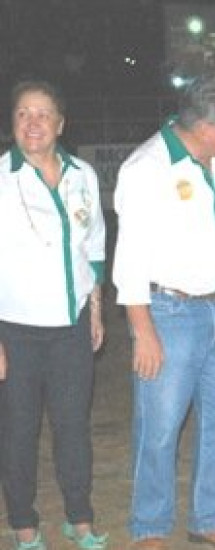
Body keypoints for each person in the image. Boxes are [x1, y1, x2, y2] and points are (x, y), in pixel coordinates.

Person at [113, 74, 215, 550]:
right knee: (160, 425)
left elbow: (214, 219)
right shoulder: (146, 169)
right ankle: (150, 525)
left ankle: (209, 516)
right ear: (204, 128)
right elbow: (130, 258)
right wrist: (143, 331)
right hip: (169, 313)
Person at [0, 80, 107, 550]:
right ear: (12, 123)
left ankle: (79, 519)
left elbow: (94, 246)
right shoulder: (2, 179)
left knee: (73, 427)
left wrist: (96, 310)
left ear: (61, 124)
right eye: (23, 113)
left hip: (72, 325)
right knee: (18, 431)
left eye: (43, 114)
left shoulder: (83, 175)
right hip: (15, 330)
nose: (33, 123)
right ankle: (24, 524)